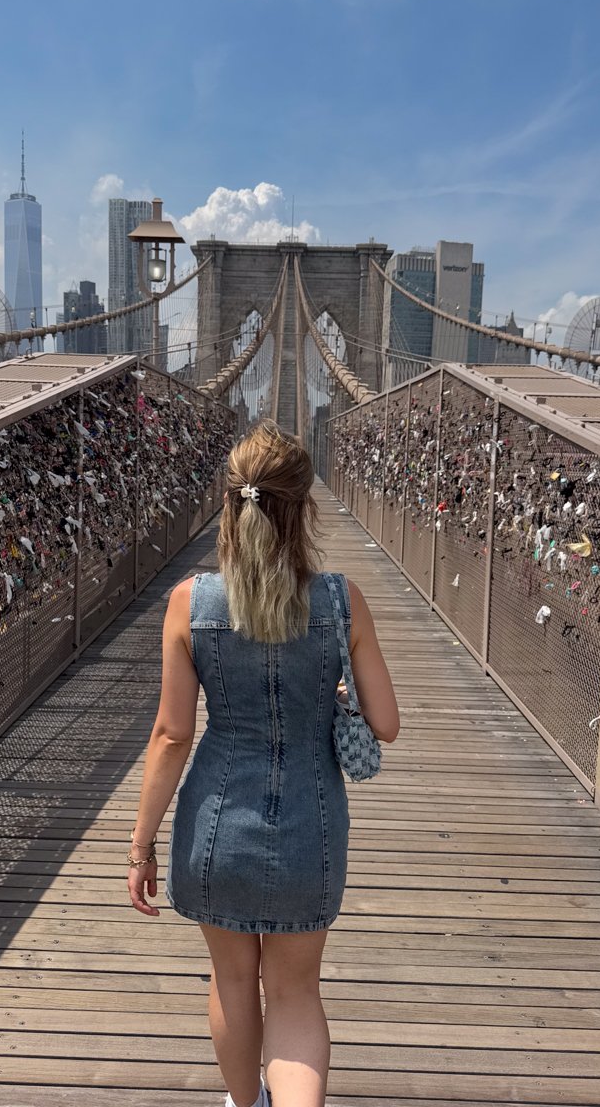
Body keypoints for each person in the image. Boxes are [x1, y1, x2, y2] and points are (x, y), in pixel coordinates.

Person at [127, 419, 399, 1107]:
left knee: (230, 983)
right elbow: (387, 725)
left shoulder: (191, 603)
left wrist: (140, 847)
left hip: (216, 825)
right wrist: (335, 692)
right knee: (296, 994)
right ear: (305, 508)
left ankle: (244, 1103)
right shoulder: (342, 602)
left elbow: (170, 734)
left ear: (229, 505)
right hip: (311, 828)